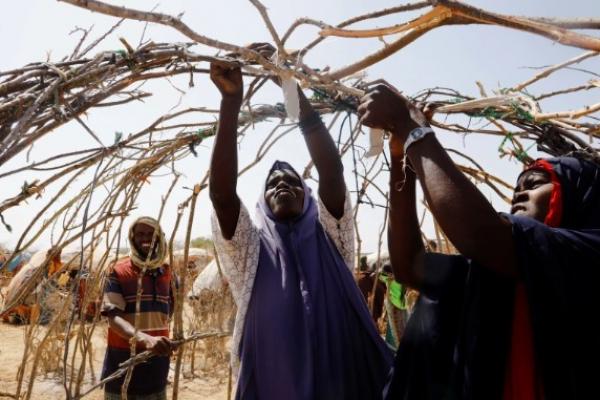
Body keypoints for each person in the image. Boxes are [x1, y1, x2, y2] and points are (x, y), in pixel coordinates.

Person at [359, 84, 600, 400]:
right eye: (517, 187)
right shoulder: (494, 274)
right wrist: (400, 157)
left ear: (579, 196)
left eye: (536, 184)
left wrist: (412, 129)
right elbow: (411, 266)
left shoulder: (586, 255)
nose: (520, 193)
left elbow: (480, 234)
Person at [208, 44, 392, 400]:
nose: (282, 184)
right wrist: (230, 104)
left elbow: (332, 171)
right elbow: (222, 197)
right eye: (273, 184)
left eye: (292, 181)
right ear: (261, 204)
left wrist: (289, 86)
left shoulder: (332, 237)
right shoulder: (249, 250)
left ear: (310, 197)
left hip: (341, 384)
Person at [100, 217, 175, 400]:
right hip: (123, 368)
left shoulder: (167, 273)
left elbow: (168, 314)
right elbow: (113, 318)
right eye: (140, 234)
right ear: (132, 238)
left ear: (159, 238)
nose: (146, 239)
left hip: (157, 369)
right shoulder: (117, 271)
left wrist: (162, 342)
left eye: (151, 234)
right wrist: (146, 339)